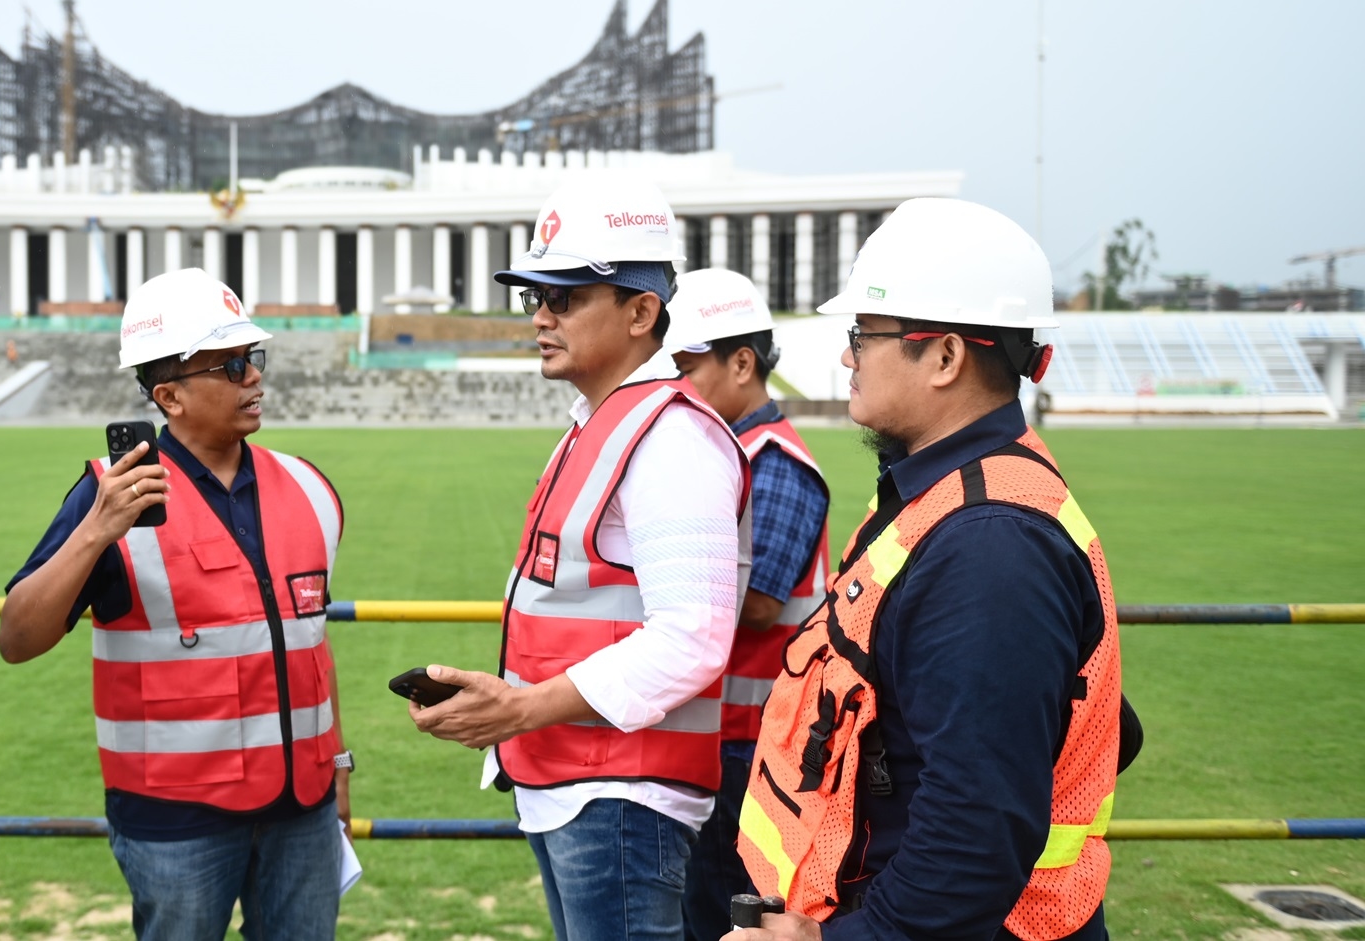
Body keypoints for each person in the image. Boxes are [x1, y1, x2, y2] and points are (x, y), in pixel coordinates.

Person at [733, 197, 1121, 941]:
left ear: (944, 355)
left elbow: (975, 826)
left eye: (863, 334)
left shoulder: (989, 542)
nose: (848, 356)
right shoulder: (950, 498)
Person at [408, 184, 750, 941]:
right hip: (582, 784)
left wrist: (524, 707)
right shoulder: (607, 423)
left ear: (641, 311)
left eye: (565, 297)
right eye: (538, 294)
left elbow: (692, 635)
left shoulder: (671, 438)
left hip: (622, 796)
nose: (540, 314)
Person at [0, 268, 351, 941]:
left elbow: (311, 651)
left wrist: (338, 767)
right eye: (233, 365)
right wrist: (95, 531)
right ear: (168, 396)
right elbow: (17, 637)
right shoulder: (108, 494)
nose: (254, 378)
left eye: (254, 359)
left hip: (302, 810)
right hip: (175, 822)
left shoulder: (308, 487)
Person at [663, 269, 831, 940]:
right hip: (726, 730)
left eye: (688, 366)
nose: (679, 384)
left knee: (717, 910)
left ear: (742, 362)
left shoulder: (775, 461)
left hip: (753, 738)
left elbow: (758, 602)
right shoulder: (736, 453)